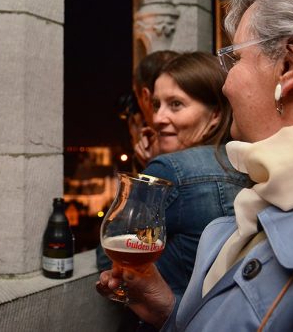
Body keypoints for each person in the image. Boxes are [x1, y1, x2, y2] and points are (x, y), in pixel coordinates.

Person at [97, 0, 293, 330]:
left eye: (234, 58)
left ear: (289, 63)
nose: (226, 84)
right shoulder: (262, 203)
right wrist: (169, 312)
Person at [98, 52, 252, 300]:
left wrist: (150, 175)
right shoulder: (246, 161)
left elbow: (108, 255)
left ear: (215, 114)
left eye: (176, 104)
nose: (157, 118)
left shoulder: (169, 171)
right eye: (156, 104)